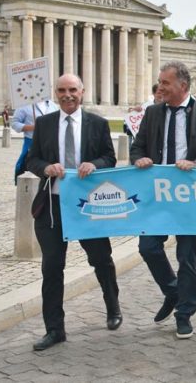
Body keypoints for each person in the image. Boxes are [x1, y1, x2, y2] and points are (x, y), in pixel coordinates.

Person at [24, 73, 120, 351]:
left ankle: (112, 306)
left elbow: (109, 157)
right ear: (56, 93)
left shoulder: (98, 124)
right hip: (52, 206)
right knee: (52, 268)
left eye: (73, 90)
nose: (67, 95)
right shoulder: (44, 124)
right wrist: (45, 168)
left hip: (87, 205)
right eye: (62, 90)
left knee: (101, 259)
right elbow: (32, 159)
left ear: (82, 91)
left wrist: (94, 164)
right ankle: (54, 329)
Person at [130, 62, 196, 339]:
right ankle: (173, 291)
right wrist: (139, 158)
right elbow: (137, 146)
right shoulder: (153, 112)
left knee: (187, 256)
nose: (160, 88)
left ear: (183, 85)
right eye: (159, 82)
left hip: (189, 196)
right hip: (158, 195)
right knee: (148, 247)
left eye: (165, 83)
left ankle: (184, 314)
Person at [11, 97, 58, 183]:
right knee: (27, 164)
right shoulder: (24, 105)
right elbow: (14, 123)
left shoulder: (52, 105)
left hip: (50, 142)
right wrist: (33, 127)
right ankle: (24, 186)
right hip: (31, 141)